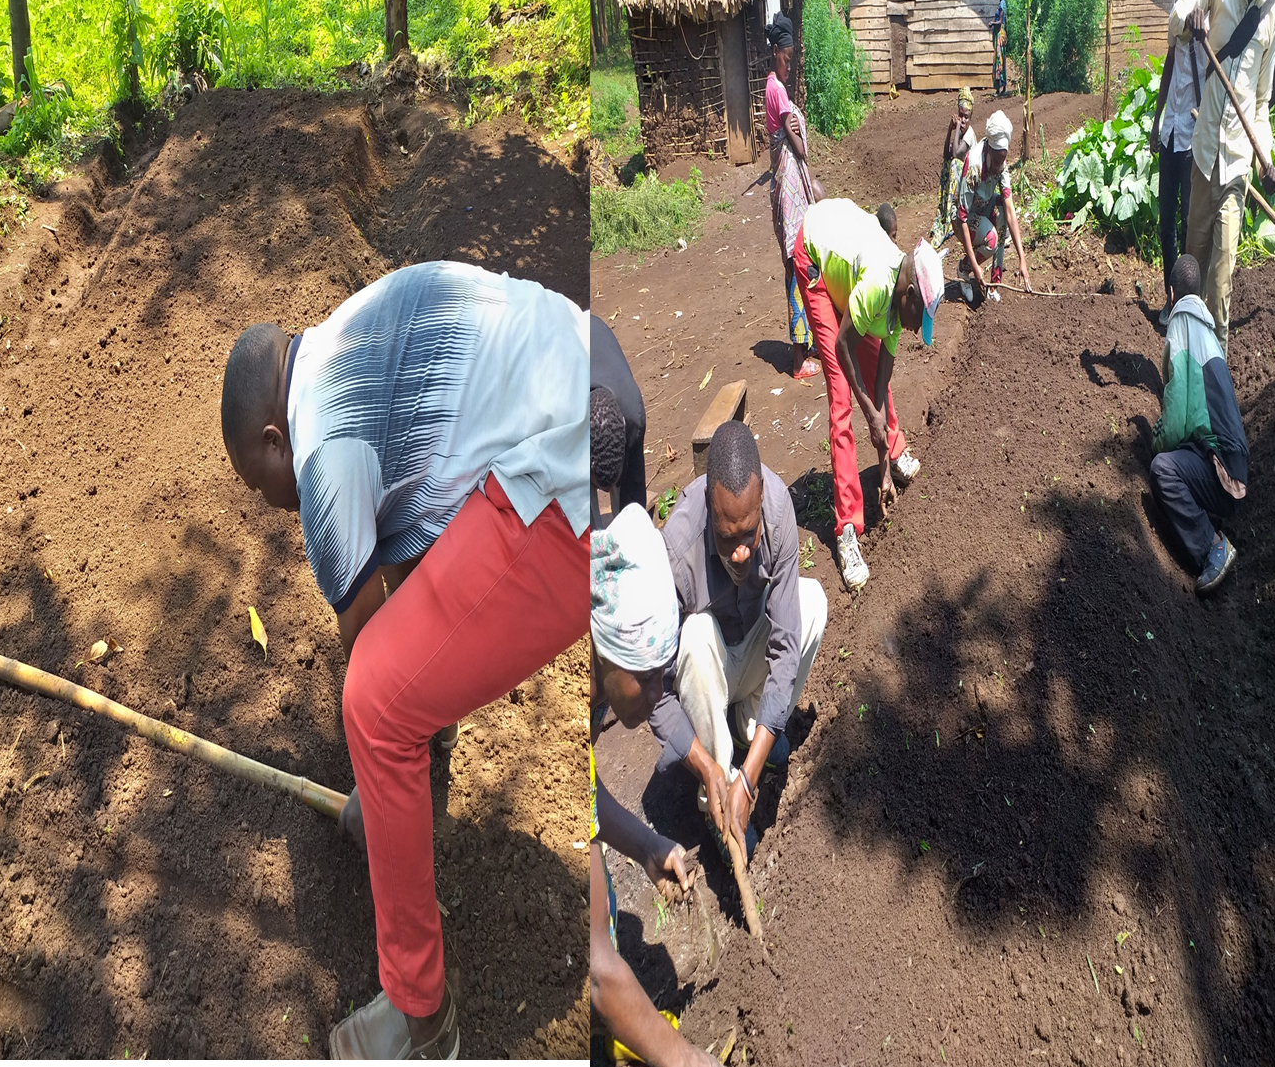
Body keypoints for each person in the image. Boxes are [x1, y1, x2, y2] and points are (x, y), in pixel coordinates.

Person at [220, 261, 589, 1059]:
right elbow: (411, 555)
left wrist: (376, 783)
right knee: (404, 659)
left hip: (574, 476)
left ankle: (422, 1018)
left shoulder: (319, 459)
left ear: (273, 440)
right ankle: (431, 747)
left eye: (259, 485)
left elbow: (370, 650)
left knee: (376, 705)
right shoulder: (345, 333)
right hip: (581, 367)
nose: (267, 504)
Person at [645, 421, 828, 857]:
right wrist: (711, 769)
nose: (741, 553)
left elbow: (784, 648)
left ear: (762, 495)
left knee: (813, 602)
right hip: (707, 671)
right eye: (728, 540)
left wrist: (754, 774)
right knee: (693, 636)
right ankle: (719, 797)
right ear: (709, 506)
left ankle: (752, 726)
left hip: (750, 650)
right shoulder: (676, 552)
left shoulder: (780, 512)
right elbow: (653, 692)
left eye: (750, 534)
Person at [589, 503, 720, 1067]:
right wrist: (687, 1060)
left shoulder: (596, 686)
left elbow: (583, 797)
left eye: (661, 677)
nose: (655, 694)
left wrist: (647, 846)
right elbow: (596, 969)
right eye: (642, 680)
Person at [793, 198, 944, 590]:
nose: (916, 330)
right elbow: (844, 344)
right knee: (842, 398)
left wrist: (883, 467)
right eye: (919, 320)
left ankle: (894, 452)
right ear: (909, 294)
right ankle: (847, 530)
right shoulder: (880, 284)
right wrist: (868, 413)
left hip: (848, 263)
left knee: (876, 370)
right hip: (816, 257)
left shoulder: (896, 304)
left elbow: (881, 381)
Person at [1183, 0, 1275, 357]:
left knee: (1221, 281)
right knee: (1192, 267)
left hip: (1239, 160)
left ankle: (1215, 373)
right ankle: (1182, 359)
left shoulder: (1274, 8)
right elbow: (1178, 17)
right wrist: (1192, 15)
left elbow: (1261, 103)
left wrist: (1267, 159)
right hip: (1205, 151)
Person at [1149, 255, 1247, 594]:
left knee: (1163, 468)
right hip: (1235, 463)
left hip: (1223, 472)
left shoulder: (1181, 325)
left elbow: (1176, 421)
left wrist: (1155, 439)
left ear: (1172, 293)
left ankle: (1212, 549)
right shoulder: (1209, 332)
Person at [763, 12, 822, 381]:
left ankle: (806, 343)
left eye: (791, 58)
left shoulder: (774, 88)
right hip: (788, 190)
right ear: (775, 53)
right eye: (786, 58)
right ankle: (799, 360)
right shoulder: (778, 91)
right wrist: (801, 137)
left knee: (801, 264)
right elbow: (798, 148)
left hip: (788, 189)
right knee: (797, 268)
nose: (789, 64)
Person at [1150, 0, 1208, 327]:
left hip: (1194, 126)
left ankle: (1191, 305)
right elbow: (1171, 59)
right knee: (1166, 221)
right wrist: (1156, 120)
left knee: (1189, 223)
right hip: (1172, 125)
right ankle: (1172, 299)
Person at [953, 109, 1033, 305]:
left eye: (1002, 161)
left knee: (1003, 214)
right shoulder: (974, 167)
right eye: (997, 161)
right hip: (963, 218)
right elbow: (962, 218)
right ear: (988, 149)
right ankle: (963, 269)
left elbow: (1010, 210)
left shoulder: (1002, 164)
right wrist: (974, 265)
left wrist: (1022, 259)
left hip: (984, 207)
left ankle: (994, 285)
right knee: (992, 239)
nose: (999, 167)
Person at [591, 313, 647, 526]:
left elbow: (634, 499)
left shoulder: (633, 416)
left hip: (596, 335)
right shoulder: (560, 420)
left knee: (628, 515)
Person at [931, 88, 977, 246]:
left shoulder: (969, 134)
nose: (963, 120)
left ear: (970, 118)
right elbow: (946, 154)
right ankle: (944, 212)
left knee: (955, 165)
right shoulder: (959, 133)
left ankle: (953, 215)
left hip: (971, 187)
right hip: (962, 186)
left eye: (966, 117)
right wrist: (949, 130)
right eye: (961, 116)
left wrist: (957, 127)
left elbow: (957, 154)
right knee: (947, 165)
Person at [991, 0, 1008, 96]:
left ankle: (1001, 87)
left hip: (1000, 34)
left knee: (999, 59)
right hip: (999, 33)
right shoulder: (1001, 4)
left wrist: (992, 23)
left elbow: (1000, 21)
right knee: (999, 59)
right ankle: (1000, 87)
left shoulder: (1002, 5)